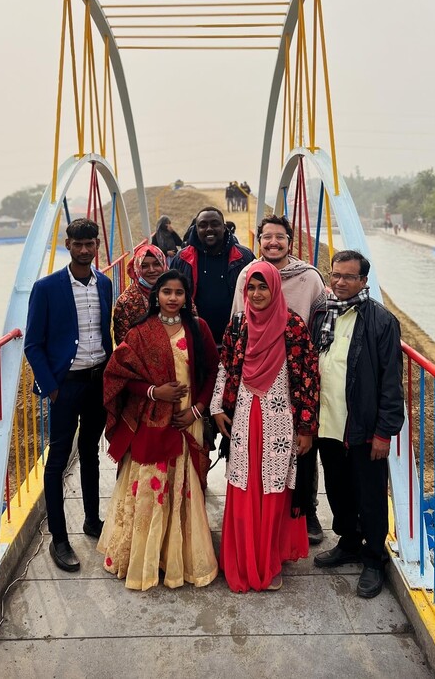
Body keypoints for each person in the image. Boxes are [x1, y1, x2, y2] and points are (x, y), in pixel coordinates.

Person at [98, 270, 220, 590]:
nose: (172, 298)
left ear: (187, 296)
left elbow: (212, 371)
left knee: (184, 487)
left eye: (179, 292)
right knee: (151, 487)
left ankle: (177, 558)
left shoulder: (198, 328)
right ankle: (147, 559)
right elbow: (118, 376)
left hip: (187, 420)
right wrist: (155, 392)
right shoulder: (140, 332)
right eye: (166, 292)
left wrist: (198, 409)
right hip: (152, 421)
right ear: (156, 295)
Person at [211, 261, 319, 592]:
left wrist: (305, 427)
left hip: (279, 420)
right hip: (244, 416)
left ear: (275, 289)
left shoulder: (292, 326)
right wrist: (217, 407)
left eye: (264, 287)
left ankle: (268, 560)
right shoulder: (238, 325)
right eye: (251, 288)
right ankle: (243, 560)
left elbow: (307, 377)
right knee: (244, 487)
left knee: (273, 488)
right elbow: (226, 366)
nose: (257, 294)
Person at [310, 250, 404, 599]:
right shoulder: (322, 314)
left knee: (371, 495)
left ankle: (374, 559)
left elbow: (391, 382)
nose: (340, 282)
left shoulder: (380, 321)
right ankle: (348, 541)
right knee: (337, 488)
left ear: (364, 281)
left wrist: (384, 431)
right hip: (328, 423)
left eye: (349, 277)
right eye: (335, 275)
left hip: (363, 428)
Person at [231, 214, 327, 545]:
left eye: (280, 237)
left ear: (290, 241)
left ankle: (306, 510)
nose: (273, 242)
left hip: (296, 369)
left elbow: (321, 322)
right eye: (267, 237)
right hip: (256, 377)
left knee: (300, 451)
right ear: (259, 242)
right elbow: (237, 324)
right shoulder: (248, 274)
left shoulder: (309, 278)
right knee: (257, 456)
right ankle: (253, 517)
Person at [24, 218, 113, 573]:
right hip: (66, 386)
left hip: (97, 382)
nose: (84, 250)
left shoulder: (105, 284)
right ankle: (59, 539)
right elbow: (33, 344)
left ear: (96, 246)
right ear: (67, 245)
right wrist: (53, 388)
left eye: (89, 244)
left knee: (91, 452)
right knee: (58, 460)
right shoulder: (46, 288)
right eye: (78, 244)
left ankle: (92, 521)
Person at [170, 206, 255, 346]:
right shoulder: (182, 259)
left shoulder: (244, 257)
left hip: (238, 339)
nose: (209, 229)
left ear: (224, 227)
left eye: (215, 224)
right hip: (195, 339)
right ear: (196, 229)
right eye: (203, 225)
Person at [113, 242, 166, 345]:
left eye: (156, 264)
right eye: (144, 266)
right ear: (137, 268)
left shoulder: (176, 292)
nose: (151, 270)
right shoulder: (126, 302)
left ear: (164, 264)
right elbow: (124, 345)